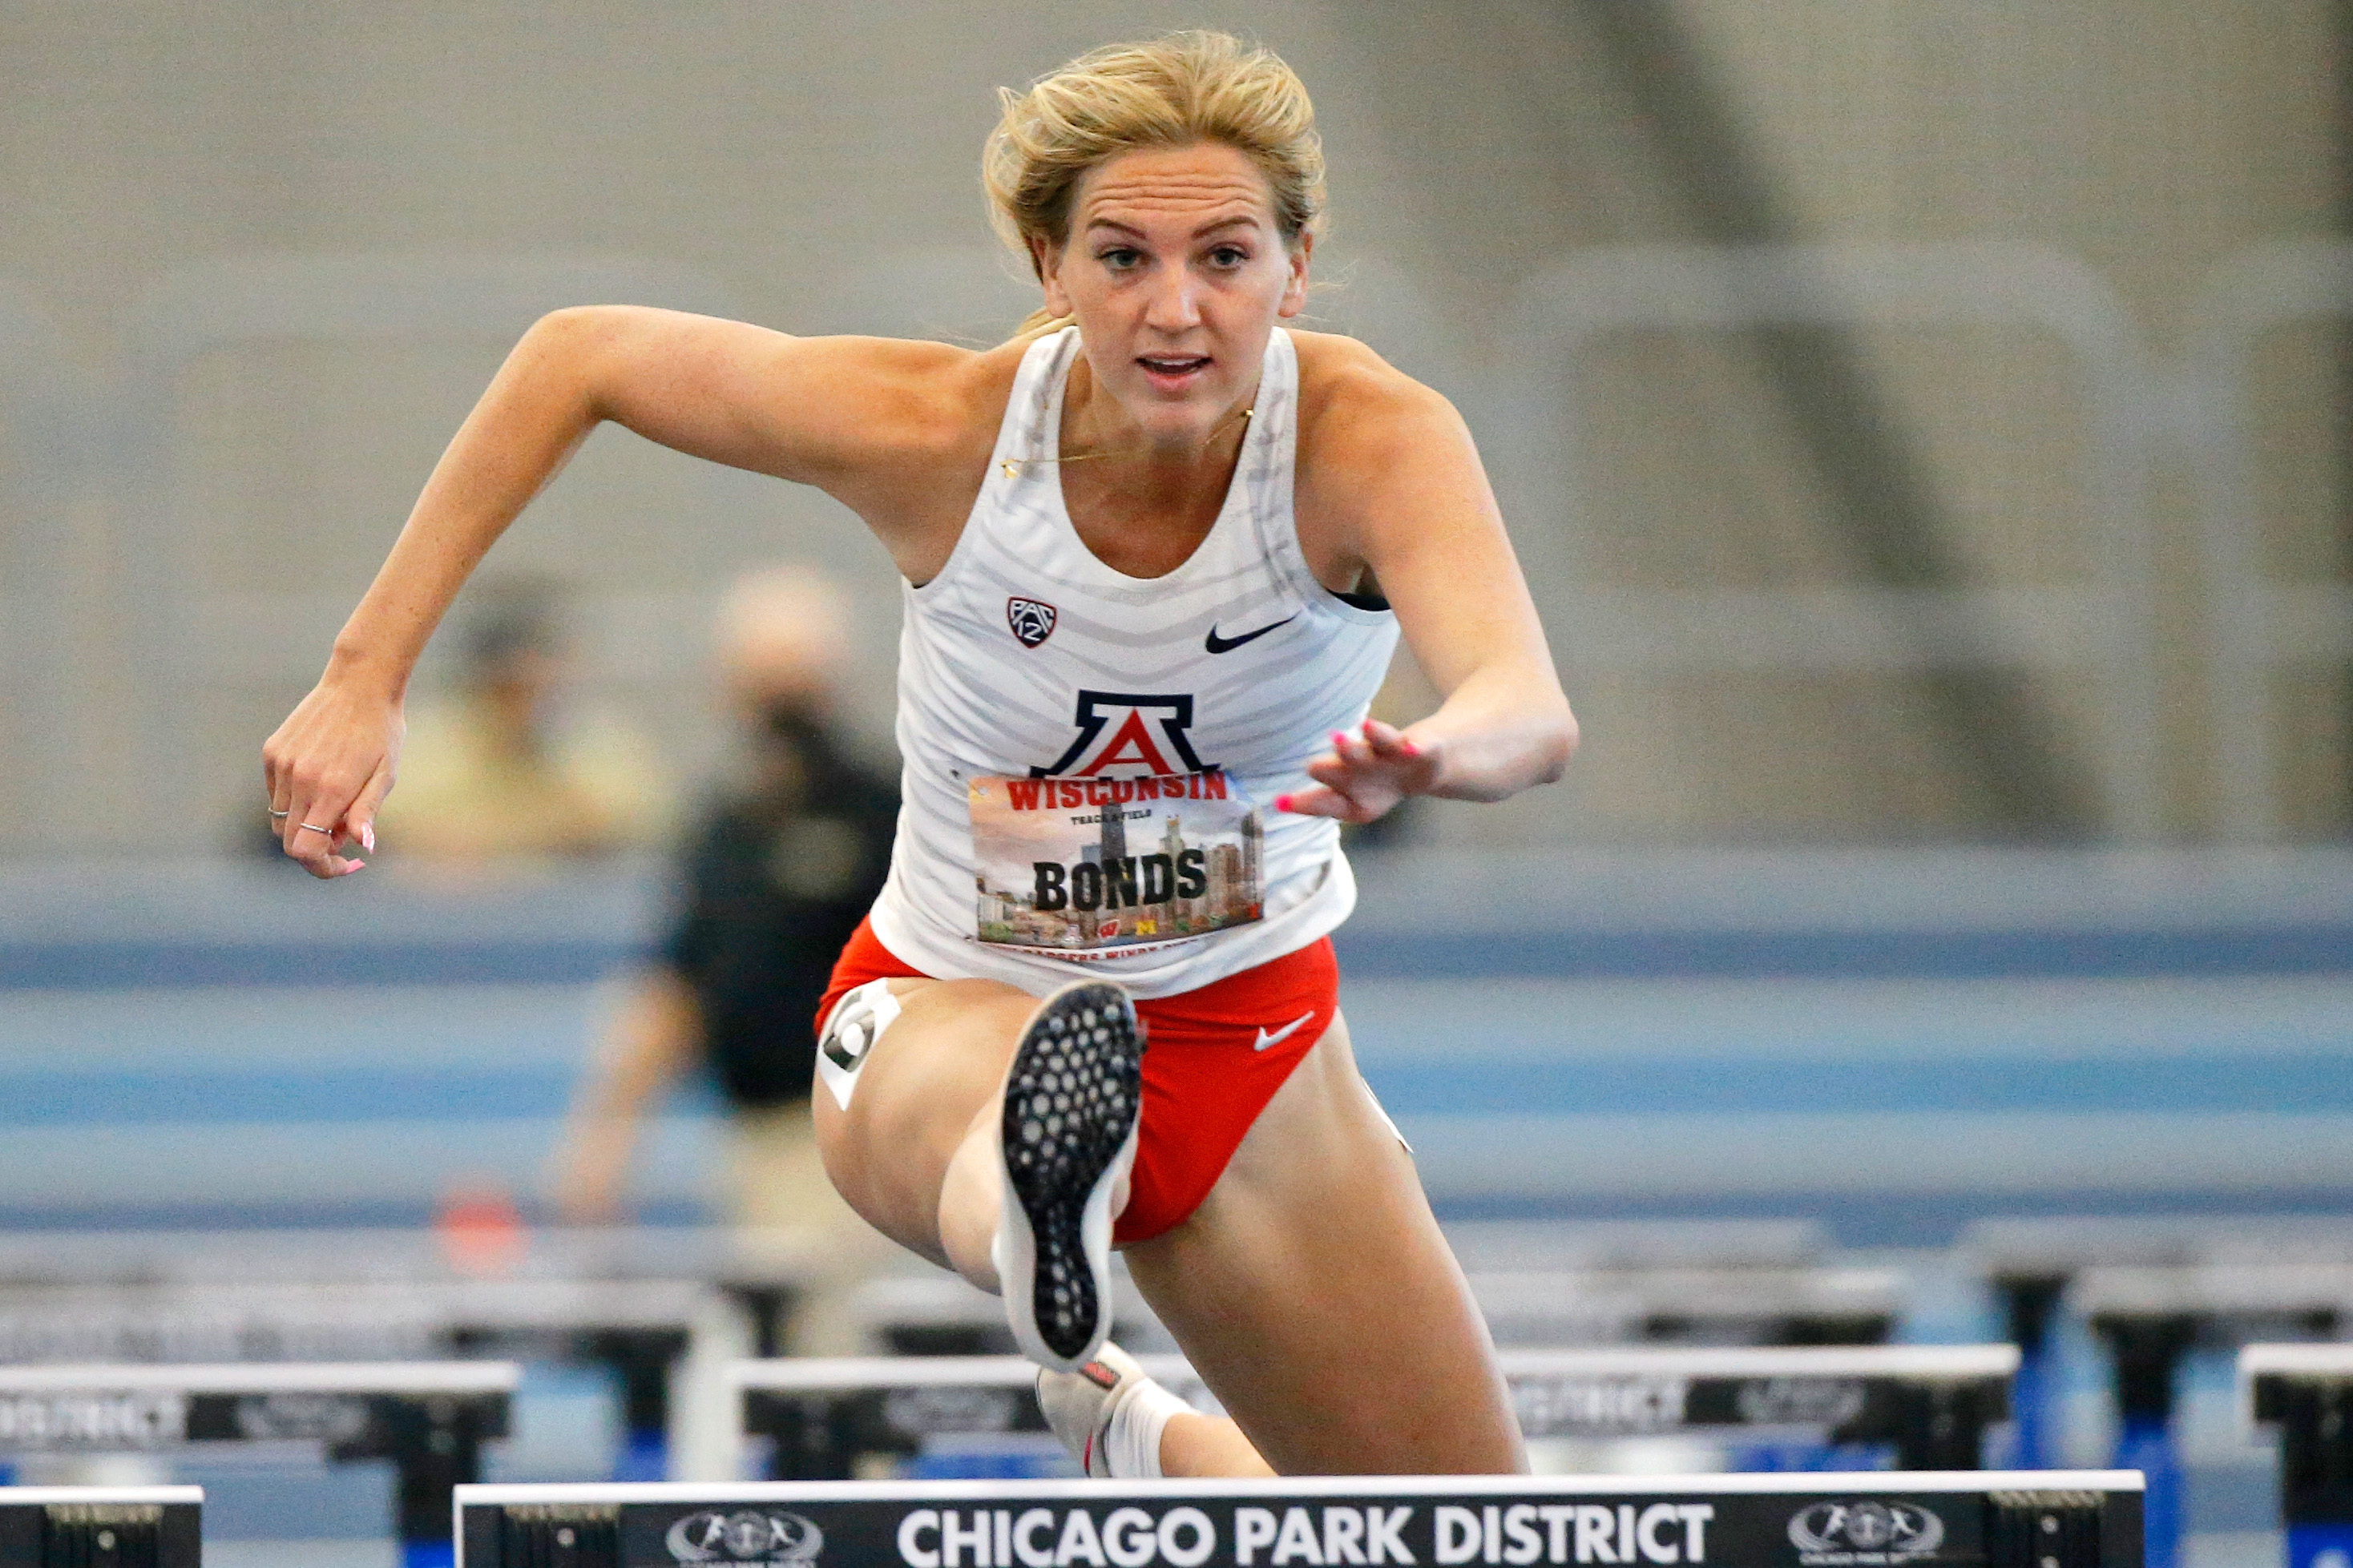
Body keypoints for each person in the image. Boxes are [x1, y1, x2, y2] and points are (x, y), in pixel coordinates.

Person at [262, 31, 1576, 1477]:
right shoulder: (945, 434)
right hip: (948, 1011)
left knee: (1459, 1520)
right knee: (1025, 1099)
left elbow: (1526, 702)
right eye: (1123, 259)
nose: (1177, 311)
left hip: (1254, 1039)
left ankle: (1125, 1423)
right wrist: (360, 674)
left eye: (1226, 256)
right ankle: (1039, 1212)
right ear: (1047, 267)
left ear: (1298, 267)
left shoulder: (1371, 442)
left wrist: (1439, 752)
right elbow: (579, 357)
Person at [546, 566, 898, 1351]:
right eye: (760, 680)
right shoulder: (724, 822)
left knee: (831, 1364)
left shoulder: (881, 808)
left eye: (792, 681)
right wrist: (605, 1135)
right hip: (756, 1138)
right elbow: (679, 981)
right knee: (770, 1356)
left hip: (853, 1134)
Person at [376, 578, 671, 864]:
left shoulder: (600, 748)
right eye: (510, 688)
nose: (525, 703)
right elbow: (390, 830)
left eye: (538, 683)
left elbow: (639, 823)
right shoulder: (423, 748)